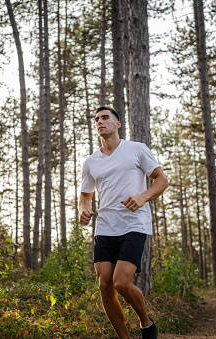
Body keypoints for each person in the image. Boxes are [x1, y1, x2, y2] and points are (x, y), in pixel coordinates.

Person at [79, 106, 169, 339]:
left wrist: (142, 197)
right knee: (105, 287)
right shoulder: (91, 162)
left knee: (121, 283)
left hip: (134, 225)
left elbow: (161, 180)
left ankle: (146, 323)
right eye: (97, 119)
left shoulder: (136, 149)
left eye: (105, 118)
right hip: (106, 227)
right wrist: (84, 210)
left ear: (117, 124)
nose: (100, 121)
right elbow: (86, 195)